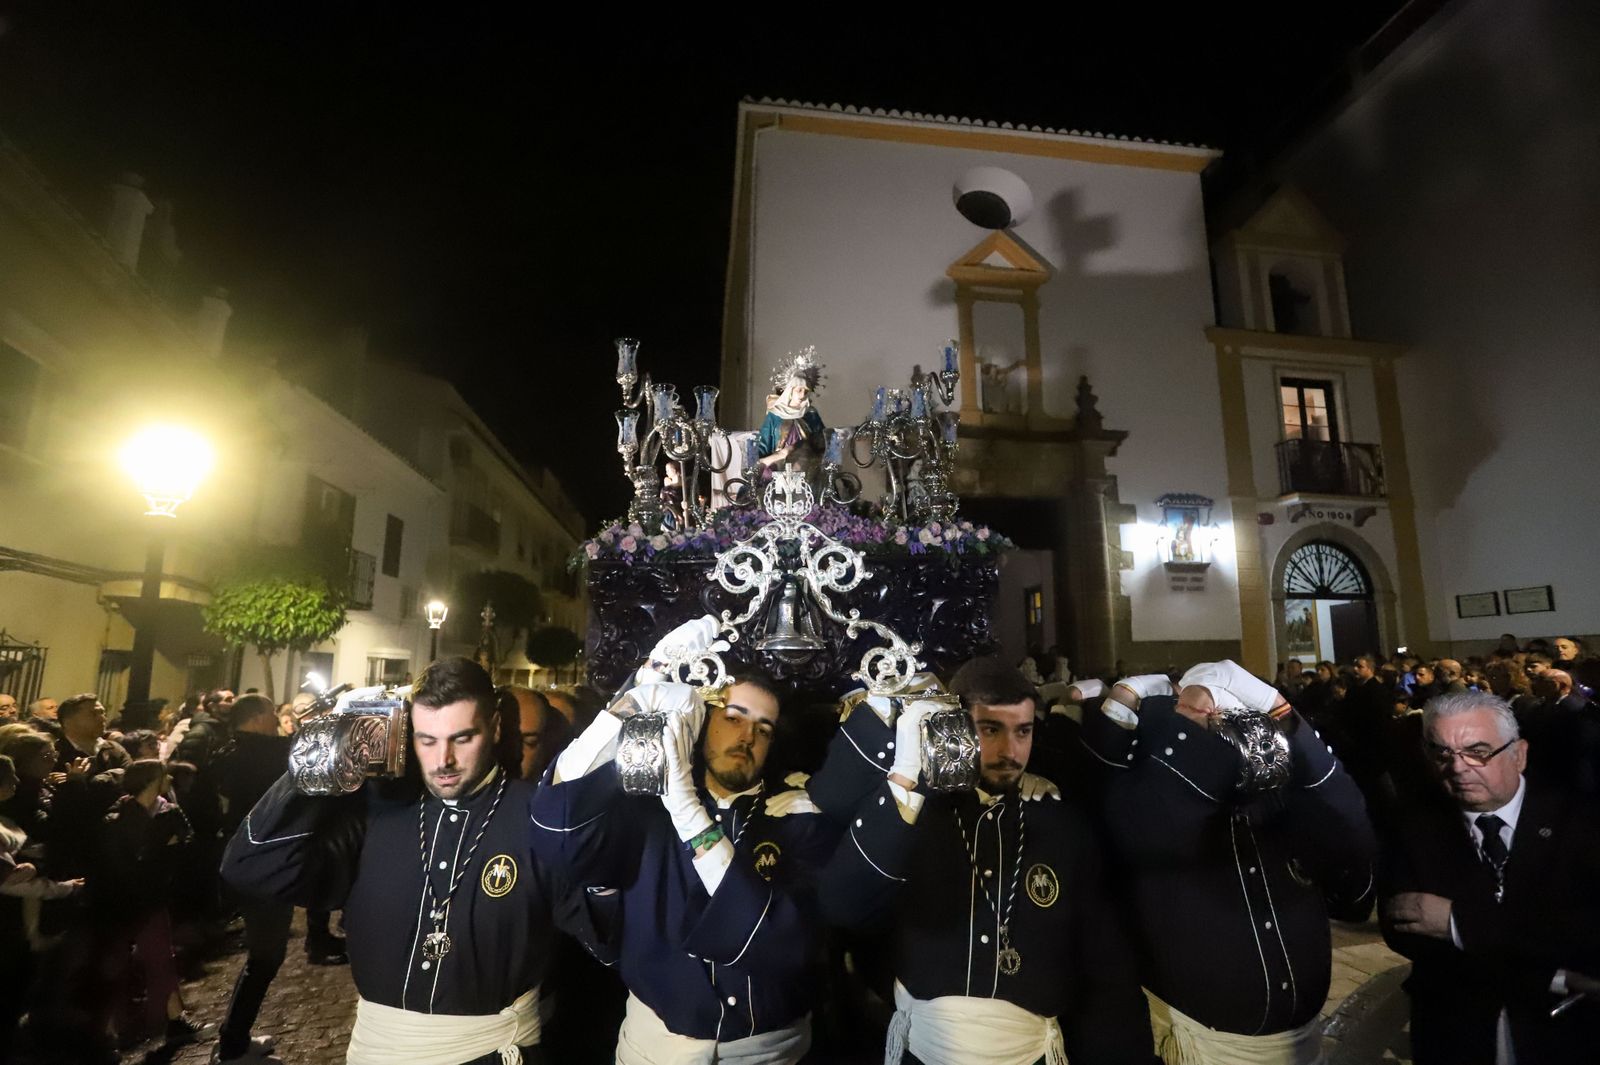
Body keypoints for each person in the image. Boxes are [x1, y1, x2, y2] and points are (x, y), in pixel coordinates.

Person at [223, 657, 581, 1065]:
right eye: (427, 740)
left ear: (495, 728)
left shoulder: (541, 816)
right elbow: (249, 865)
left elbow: (601, 930)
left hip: (492, 1052)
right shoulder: (379, 812)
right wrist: (324, 757)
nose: (443, 760)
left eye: (462, 739)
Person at [812, 658, 1152, 1065]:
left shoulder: (1061, 824)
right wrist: (904, 777)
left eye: (1022, 731)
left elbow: (1105, 967)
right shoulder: (915, 817)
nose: (1010, 751)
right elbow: (842, 907)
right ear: (955, 726)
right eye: (990, 729)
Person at [531, 618, 839, 1064]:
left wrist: (691, 815)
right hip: (658, 1045)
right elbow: (558, 827)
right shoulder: (645, 807)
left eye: (764, 728)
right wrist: (638, 692)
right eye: (732, 718)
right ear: (702, 720)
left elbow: (784, 945)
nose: (747, 736)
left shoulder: (796, 815)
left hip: (767, 1049)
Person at [1081, 660, 1376, 1064]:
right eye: (1214, 721)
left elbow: (1349, 826)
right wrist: (1142, 707)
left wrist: (1281, 712)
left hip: (1303, 1045)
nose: (1223, 727)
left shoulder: (1278, 806)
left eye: (1235, 717)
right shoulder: (1150, 807)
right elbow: (1116, 795)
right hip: (1205, 1046)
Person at [1380, 690, 1600, 1063]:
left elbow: (1584, 935)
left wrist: (1457, 922)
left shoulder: (1582, 821)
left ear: (1519, 754)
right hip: (1455, 1034)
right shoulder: (1413, 826)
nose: (1459, 767)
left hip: (1566, 1036)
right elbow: (1405, 930)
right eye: (1442, 754)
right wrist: (1556, 974)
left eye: (1478, 751)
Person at [94, 759, 207, 1048]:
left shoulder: (167, 810)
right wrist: (160, 849)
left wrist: (158, 853)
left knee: (160, 957)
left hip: (153, 896)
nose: (168, 778)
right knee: (124, 962)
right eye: (162, 774)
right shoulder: (118, 816)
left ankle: (173, 1018)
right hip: (125, 898)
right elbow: (123, 861)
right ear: (150, 779)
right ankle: (127, 1025)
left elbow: (187, 845)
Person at [756, 348, 825, 468]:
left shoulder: (811, 414)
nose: (802, 395)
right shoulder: (774, 415)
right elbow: (763, 447)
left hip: (807, 466)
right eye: (799, 390)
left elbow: (822, 441)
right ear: (790, 391)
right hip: (778, 468)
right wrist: (779, 455)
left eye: (806, 391)